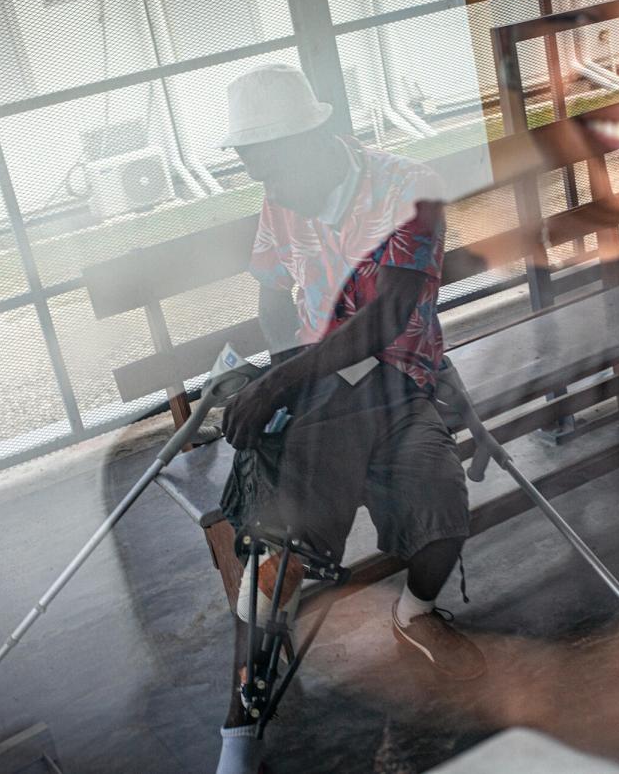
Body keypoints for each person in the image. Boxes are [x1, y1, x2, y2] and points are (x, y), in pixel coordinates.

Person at [213, 64, 486, 773]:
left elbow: (391, 313)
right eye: (251, 168)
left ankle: (416, 618)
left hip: (399, 381)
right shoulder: (281, 196)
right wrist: (281, 373)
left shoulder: (407, 188)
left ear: (315, 138)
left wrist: (280, 382)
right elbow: (275, 292)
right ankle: (238, 729)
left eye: (267, 164)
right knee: (279, 542)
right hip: (319, 395)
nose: (265, 186)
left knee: (440, 512)